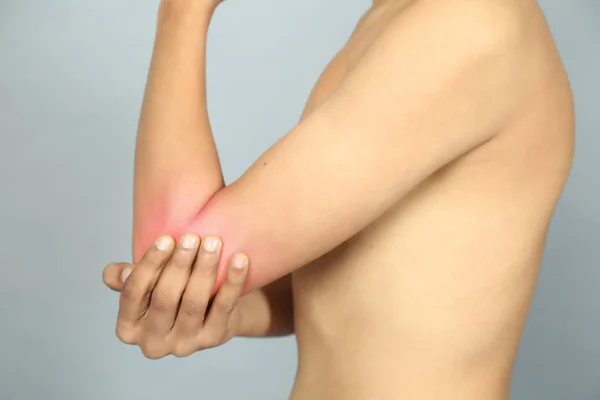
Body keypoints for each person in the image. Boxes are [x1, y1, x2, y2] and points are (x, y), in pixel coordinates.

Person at [102, 0, 574, 398]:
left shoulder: (464, 23)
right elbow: (361, 283)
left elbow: (175, 243)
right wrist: (222, 309)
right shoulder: (400, 18)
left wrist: (182, 14)